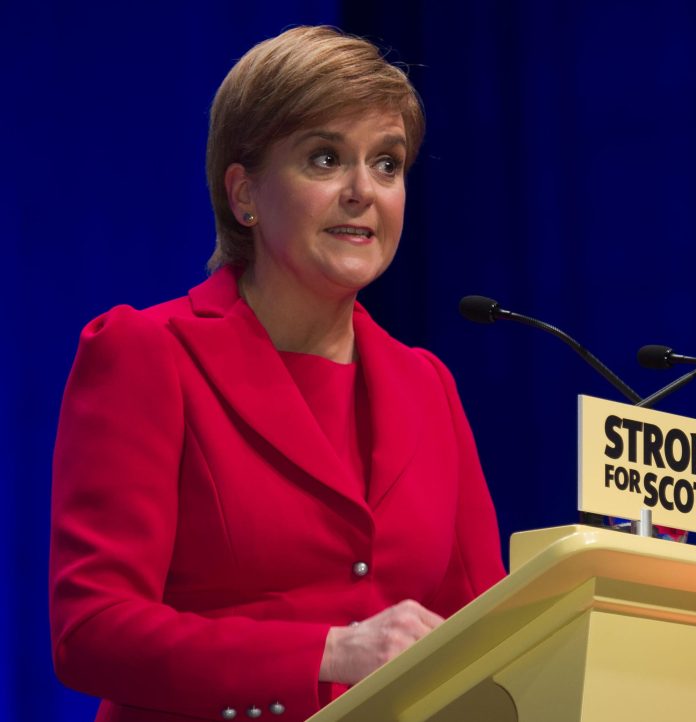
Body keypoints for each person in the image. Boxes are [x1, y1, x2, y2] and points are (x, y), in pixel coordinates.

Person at [49, 26, 505, 722]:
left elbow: (487, 629)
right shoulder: (147, 353)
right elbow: (92, 631)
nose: (363, 191)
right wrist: (327, 651)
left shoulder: (427, 386)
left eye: (387, 164)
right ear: (245, 196)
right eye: (325, 159)